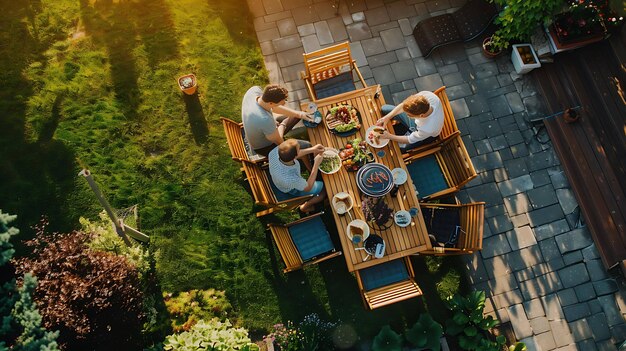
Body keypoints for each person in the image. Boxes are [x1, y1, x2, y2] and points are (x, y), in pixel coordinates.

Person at [242, 84, 312, 157]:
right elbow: (279, 142)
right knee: (307, 145)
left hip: (263, 128)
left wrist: (299, 114)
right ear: (271, 103)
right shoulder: (264, 119)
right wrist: (283, 124)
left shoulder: (254, 90)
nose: (284, 103)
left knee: (296, 116)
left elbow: (274, 108)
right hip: (265, 147)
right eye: (282, 102)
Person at [268, 139, 326, 213]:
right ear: (294, 156)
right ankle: (305, 207)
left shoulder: (275, 151)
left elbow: (295, 154)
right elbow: (307, 188)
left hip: (278, 178)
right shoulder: (289, 178)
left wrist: (312, 149)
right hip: (292, 189)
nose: (301, 148)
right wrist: (316, 164)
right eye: (299, 148)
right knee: (324, 190)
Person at [375, 91, 444, 152]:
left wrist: (389, 136)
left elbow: (409, 139)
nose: (407, 115)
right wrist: (387, 117)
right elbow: (404, 105)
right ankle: (407, 129)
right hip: (418, 123)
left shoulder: (428, 129)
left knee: (399, 148)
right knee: (385, 109)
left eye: (409, 115)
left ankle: (409, 130)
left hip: (425, 135)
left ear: (421, 115)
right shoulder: (428, 96)